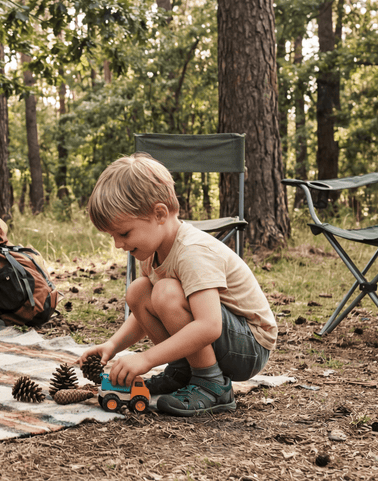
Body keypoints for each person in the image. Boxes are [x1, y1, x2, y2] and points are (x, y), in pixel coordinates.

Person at [77, 153, 276, 416]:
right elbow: (145, 313)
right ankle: (184, 372)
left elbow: (209, 326)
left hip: (250, 345)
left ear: (159, 214)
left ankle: (212, 383)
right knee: (139, 291)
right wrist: (113, 345)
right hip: (223, 338)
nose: (117, 244)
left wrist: (147, 359)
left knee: (165, 291)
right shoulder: (151, 251)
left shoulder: (192, 252)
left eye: (124, 233)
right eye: (113, 235)